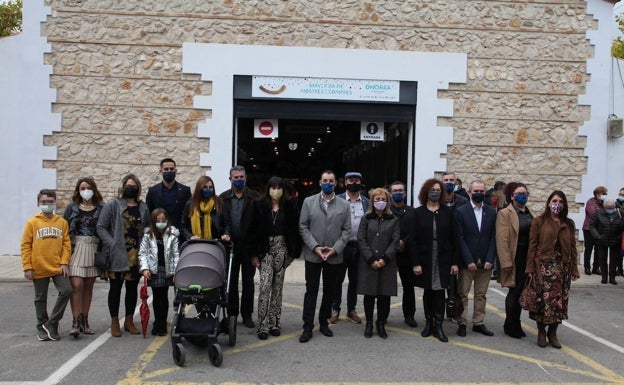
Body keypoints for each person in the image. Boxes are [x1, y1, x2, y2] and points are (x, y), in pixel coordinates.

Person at [298, 170, 350, 343]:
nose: (328, 183)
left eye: (331, 181)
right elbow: (303, 227)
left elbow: (347, 230)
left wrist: (335, 249)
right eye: (325, 180)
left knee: (330, 290)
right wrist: (315, 247)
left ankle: (324, 322)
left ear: (336, 183)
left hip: (334, 256)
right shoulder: (308, 202)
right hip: (314, 255)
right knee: (311, 290)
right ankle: (307, 326)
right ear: (320, 182)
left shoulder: (344, 205)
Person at [97, 174, 150, 337]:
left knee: (132, 288)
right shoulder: (113, 205)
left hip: (135, 254)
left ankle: (128, 320)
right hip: (117, 253)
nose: (130, 188)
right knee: (115, 288)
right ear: (123, 186)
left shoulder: (143, 207)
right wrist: (112, 243)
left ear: (138, 188)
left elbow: (147, 228)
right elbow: (101, 227)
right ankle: (114, 321)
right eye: (128, 185)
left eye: (134, 186)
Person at [526, 190, 580, 348]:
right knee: (543, 302)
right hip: (543, 268)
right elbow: (532, 245)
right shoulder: (539, 221)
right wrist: (529, 268)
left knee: (559, 303)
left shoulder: (568, 223)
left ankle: (553, 332)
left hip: (562, 269)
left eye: (561, 201)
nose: (557, 204)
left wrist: (574, 268)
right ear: (549, 203)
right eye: (554, 200)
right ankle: (542, 331)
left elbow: (572, 247)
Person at [251, 177, 302, 340]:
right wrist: (254, 255)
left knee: (277, 287)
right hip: (264, 249)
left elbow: (295, 229)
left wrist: (293, 253)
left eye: (279, 187)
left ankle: (274, 323)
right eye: (273, 187)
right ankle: (263, 325)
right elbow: (252, 230)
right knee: (265, 286)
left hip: (282, 249)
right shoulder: (259, 205)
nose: (276, 190)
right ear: (268, 188)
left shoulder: (290, 206)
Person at [410, 179, 459, 343]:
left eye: (438, 189)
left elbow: (454, 239)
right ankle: (428, 323)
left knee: (439, 291)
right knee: (428, 291)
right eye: (432, 189)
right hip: (425, 258)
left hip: (443, 258)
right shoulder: (418, 213)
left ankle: (438, 325)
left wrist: (454, 262)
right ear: (426, 192)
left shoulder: (448, 212)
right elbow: (413, 240)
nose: (435, 192)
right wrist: (415, 263)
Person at [21, 189, 72, 341]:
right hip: (39, 266)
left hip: (57, 266)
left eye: (50, 202)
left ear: (55, 203)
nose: (47, 205)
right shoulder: (32, 222)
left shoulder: (61, 222)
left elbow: (66, 245)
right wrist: (27, 266)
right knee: (40, 298)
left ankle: (52, 322)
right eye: (44, 202)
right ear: (38, 203)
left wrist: (64, 262)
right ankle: (41, 326)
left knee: (67, 290)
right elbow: (25, 245)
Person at [454, 180, 497, 337]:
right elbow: (460, 238)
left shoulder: (491, 212)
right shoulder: (461, 211)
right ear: (470, 192)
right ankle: (462, 322)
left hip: (485, 261)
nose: (478, 193)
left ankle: (478, 322)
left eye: (481, 191)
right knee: (463, 294)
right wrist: (468, 260)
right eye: (475, 191)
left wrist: (490, 259)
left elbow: (494, 237)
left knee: (481, 294)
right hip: (467, 262)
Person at [63, 177, 105, 337]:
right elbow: (65, 230)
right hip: (76, 248)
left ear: (94, 189)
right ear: (78, 191)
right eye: (82, 188)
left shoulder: (101, 207)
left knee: (88, 287)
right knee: (77, 285)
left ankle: (84, 321)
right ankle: (75, 321)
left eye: (88, 187)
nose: (85, 190)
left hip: (93, 248)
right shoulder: (71, 208)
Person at [219, 165, 260, 328]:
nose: (239, 180)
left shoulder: (255, 197)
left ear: (246, 178)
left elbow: (258, 225)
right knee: (231, 282)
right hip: (230, 247)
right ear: (230, 179)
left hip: (249, 247)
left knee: (248, 282)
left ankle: (247, 314)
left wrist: (257, 251)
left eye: (241, 177)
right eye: (236, 177)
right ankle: (232, 314)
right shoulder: (222, 199)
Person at [357, 187, 400, 338]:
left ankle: (381, 323)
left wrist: (384, 259)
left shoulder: (393, 219)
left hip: (386, 264)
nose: (380, 202)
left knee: (384, 296)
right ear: (372, 202)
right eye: (377, 199)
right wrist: (370, 259)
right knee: (369, 295)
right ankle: (369, 323)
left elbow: (395, 241)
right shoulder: (366, 218)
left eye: (383, 199)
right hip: (368, 263)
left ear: (387, 201)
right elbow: (361, 240)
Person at [330, 171, 369, 324]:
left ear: (360, 182)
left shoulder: (366, 202)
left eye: (357, 180)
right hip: (341, 247)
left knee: (355, 281)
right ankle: (335, 309)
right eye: (351, 180)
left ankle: (351, 309)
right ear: (345, 182)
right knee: (337, 280)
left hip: (359, 247)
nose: (354, 182)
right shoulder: (337, 200)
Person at [496, 182, 534, 339]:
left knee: (521, 291)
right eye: (519, 193)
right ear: (512, 196)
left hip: (528, 257)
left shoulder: (529, 213)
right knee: (515, 291)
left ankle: (515, 322)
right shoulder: (505, 213)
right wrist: (506, 262)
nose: (522, 195)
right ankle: (511, 324)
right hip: (514, 257)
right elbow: (502, 239)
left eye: (525, 192)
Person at [139, 208, 180, 336]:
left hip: (166, 269)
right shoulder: (148, 235)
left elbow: (176, 254)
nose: (161, 222)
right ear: (153, 221)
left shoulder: (172, 235)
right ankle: (157, 321)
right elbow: (143, 253)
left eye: (163, 220)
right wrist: (145, 268)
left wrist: (175, 272)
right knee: (156, 297)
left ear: (167, 220)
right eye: (158, 220)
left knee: (164, 296)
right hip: (154, 270)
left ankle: (162, 323)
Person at [388, 180, 418, 327]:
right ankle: (383, 315)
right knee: (386, 286)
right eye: (395, 191)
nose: (398, 193)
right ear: (390, 194)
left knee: (408, 287)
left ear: (405, 193)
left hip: (406, 253)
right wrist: (395, 243)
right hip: (389, 254)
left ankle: (409, 316)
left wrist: (403, 242)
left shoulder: (412, 212)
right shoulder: (386, 211)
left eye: (401, 191)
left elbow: (414, 232)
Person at [145, 158, 192, 242]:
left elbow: (189, 214)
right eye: (166, 169)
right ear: (160, 171)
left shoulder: (185, 191)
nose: (169, 171)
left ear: (176, 170)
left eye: (171, 169)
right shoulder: (153, 191)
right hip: (159, 236)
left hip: (180, 237)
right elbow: (149, 214)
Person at [180, 175, 230, 243]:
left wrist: (226, 234)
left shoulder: (219, 203)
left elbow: (226, 224)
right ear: (199, 189)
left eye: (211, 187)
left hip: (215, 243)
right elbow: (183, 225)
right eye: (205, 187)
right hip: (195, 243)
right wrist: (190, 236)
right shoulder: (190, 204)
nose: (208, 189)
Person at [589, 199, 624, 285]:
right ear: (604, 207)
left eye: (611, 207)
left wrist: (620, 236)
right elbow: (592, 225)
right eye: (608, 208)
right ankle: (604, 277)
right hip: (602, 240)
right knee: (602, 259)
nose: (610, 209)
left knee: (614, 260)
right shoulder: (598, 213)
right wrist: (597, 236)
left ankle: (612, 278)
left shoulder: (619, 213)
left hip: (616, 240)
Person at [582, 186, 607, 275]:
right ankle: (587, 267)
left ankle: (596, 268)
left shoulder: (603, 203)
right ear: (597, 194)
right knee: (588, 248)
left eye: (605, 194)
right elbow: (594, 214)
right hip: (588, 229)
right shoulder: (591, 202)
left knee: (598, 249)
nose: (604, 196)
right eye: (602, 194)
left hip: (599, 229)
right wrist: (604, 210)